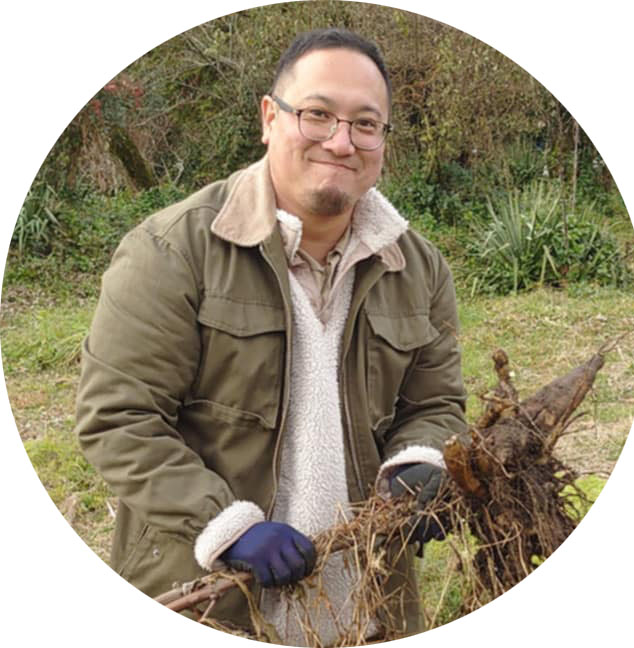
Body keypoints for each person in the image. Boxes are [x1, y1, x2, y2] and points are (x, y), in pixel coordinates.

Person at [75, 27, 467, 645]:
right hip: (211, 606)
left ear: (383, 140)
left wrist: (421, 460)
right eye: (318, 114)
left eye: (366, 124)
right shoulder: (172, 251)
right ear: (269, 117)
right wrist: (225, 527)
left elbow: (435, 403)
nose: (341, 141)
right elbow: (118, 417)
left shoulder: (418, 267)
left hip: (372, 609)